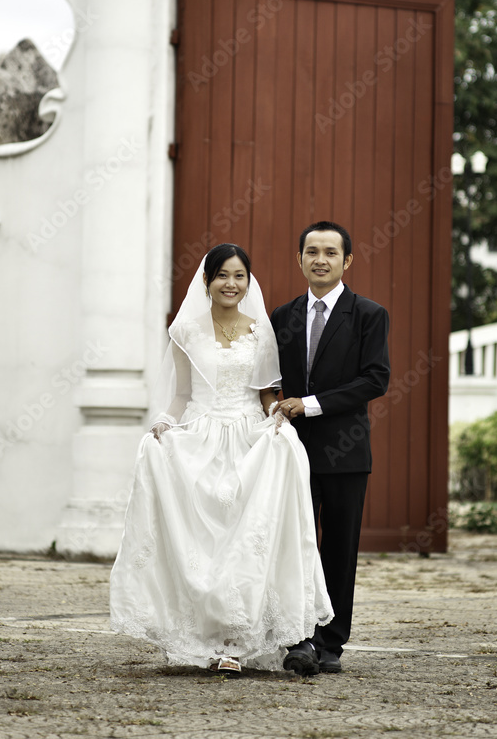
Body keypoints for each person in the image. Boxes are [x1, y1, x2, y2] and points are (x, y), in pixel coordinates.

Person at [110, 243, 333, 673]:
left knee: (245, 541)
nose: (231, 284)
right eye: (223, 276)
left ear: (248, 282)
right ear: (207, 281)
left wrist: (277, 417)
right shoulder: (186, 331)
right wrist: (163, 423)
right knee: (203, 545)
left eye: (239, 276)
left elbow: (267, 392)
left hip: (249, 440)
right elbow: (181, 394)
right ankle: (205, 639)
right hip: (201, 437)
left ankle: (235, 641)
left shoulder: (260, 330)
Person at [270, 222, 390, 675]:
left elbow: (375, 379)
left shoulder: (368, 314)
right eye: (311, 251)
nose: (320, 259)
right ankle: (298, 638)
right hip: (290, 454)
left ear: (347, 261)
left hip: (345, 452)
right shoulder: (282, 316)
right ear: (299, 258)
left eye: (330, 252)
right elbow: (271, 378)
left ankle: (332, 644)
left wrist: (312, 405)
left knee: (338, 549)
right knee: (294, 547)